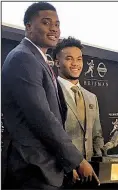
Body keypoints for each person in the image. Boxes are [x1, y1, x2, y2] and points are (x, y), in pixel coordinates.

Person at [2, 2, 99, 189]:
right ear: (28, 27)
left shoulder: (37, 58)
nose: (54, 28)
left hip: (46, 167)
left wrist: (64, 162)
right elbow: (42, 118)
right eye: (47, 23)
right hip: (32, 168)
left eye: (57, 24)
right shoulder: (23, 58)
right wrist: (77, 160)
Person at [53, 37, 104, 185]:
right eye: (69, 59)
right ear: (57, 62)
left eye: (79, 59)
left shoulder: (91, 97)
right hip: (62, 174)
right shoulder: (51, 93)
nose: (75, 64)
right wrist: (67, 167)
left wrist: (100, 163)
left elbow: (97, 135)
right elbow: (51, 137)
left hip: (89, 174)